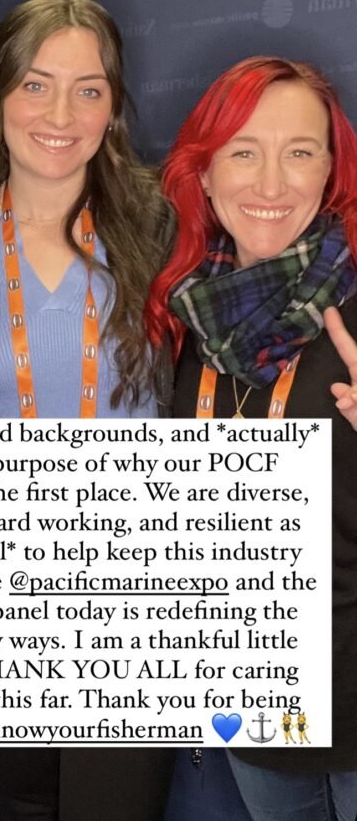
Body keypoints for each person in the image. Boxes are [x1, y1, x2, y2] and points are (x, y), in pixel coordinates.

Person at [0, 0, 175, 821]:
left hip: (133, 591)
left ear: (114, 107)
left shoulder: (162, 224)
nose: (61, 113)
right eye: (37, 85)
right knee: (17, 807)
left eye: (89, 89)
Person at [145, 55, 357, 821]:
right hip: (258, 704)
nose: (270, 184)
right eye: (243, 151)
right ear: (203, 174)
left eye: (299, 152)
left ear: (330, 171)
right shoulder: (188, 319)